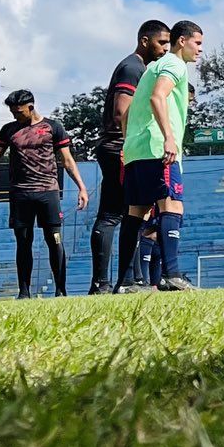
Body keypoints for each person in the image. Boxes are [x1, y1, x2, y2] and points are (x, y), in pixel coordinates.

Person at [0, 88, 92, 297]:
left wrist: (81, 187)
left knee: (54, 239)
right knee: (23, 242)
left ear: (31, 107)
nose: (15, 116)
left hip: (48, 192)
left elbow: (67, 160)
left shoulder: (53, 127)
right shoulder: (8, 130)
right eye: (12, 112)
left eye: (19, 112)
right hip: (20, 194)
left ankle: (60, 290)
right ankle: (24, 292)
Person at [120, 18, 205, 289]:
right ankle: (173, 274)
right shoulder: (174, 64)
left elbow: (129, 111)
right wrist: (169, 137)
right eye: (198, 43)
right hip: (159, 148)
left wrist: (128, 142)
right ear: (183, 40)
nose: (200, 49)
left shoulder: (152, 67)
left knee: (137, 212)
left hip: (137, 149)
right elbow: (158, 97)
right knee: (172, 205)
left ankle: (124, 282)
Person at [90, 20, 170, 293]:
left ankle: (130, 280)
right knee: (114, 214)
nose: (165, 48)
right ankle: (105, 282)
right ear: (145, 41)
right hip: (118, 147)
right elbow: (121, 111)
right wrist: (128, 148)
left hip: (122, 147)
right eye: (161, 42)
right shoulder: (131, 67)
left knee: (132, 214)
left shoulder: (142, 69)